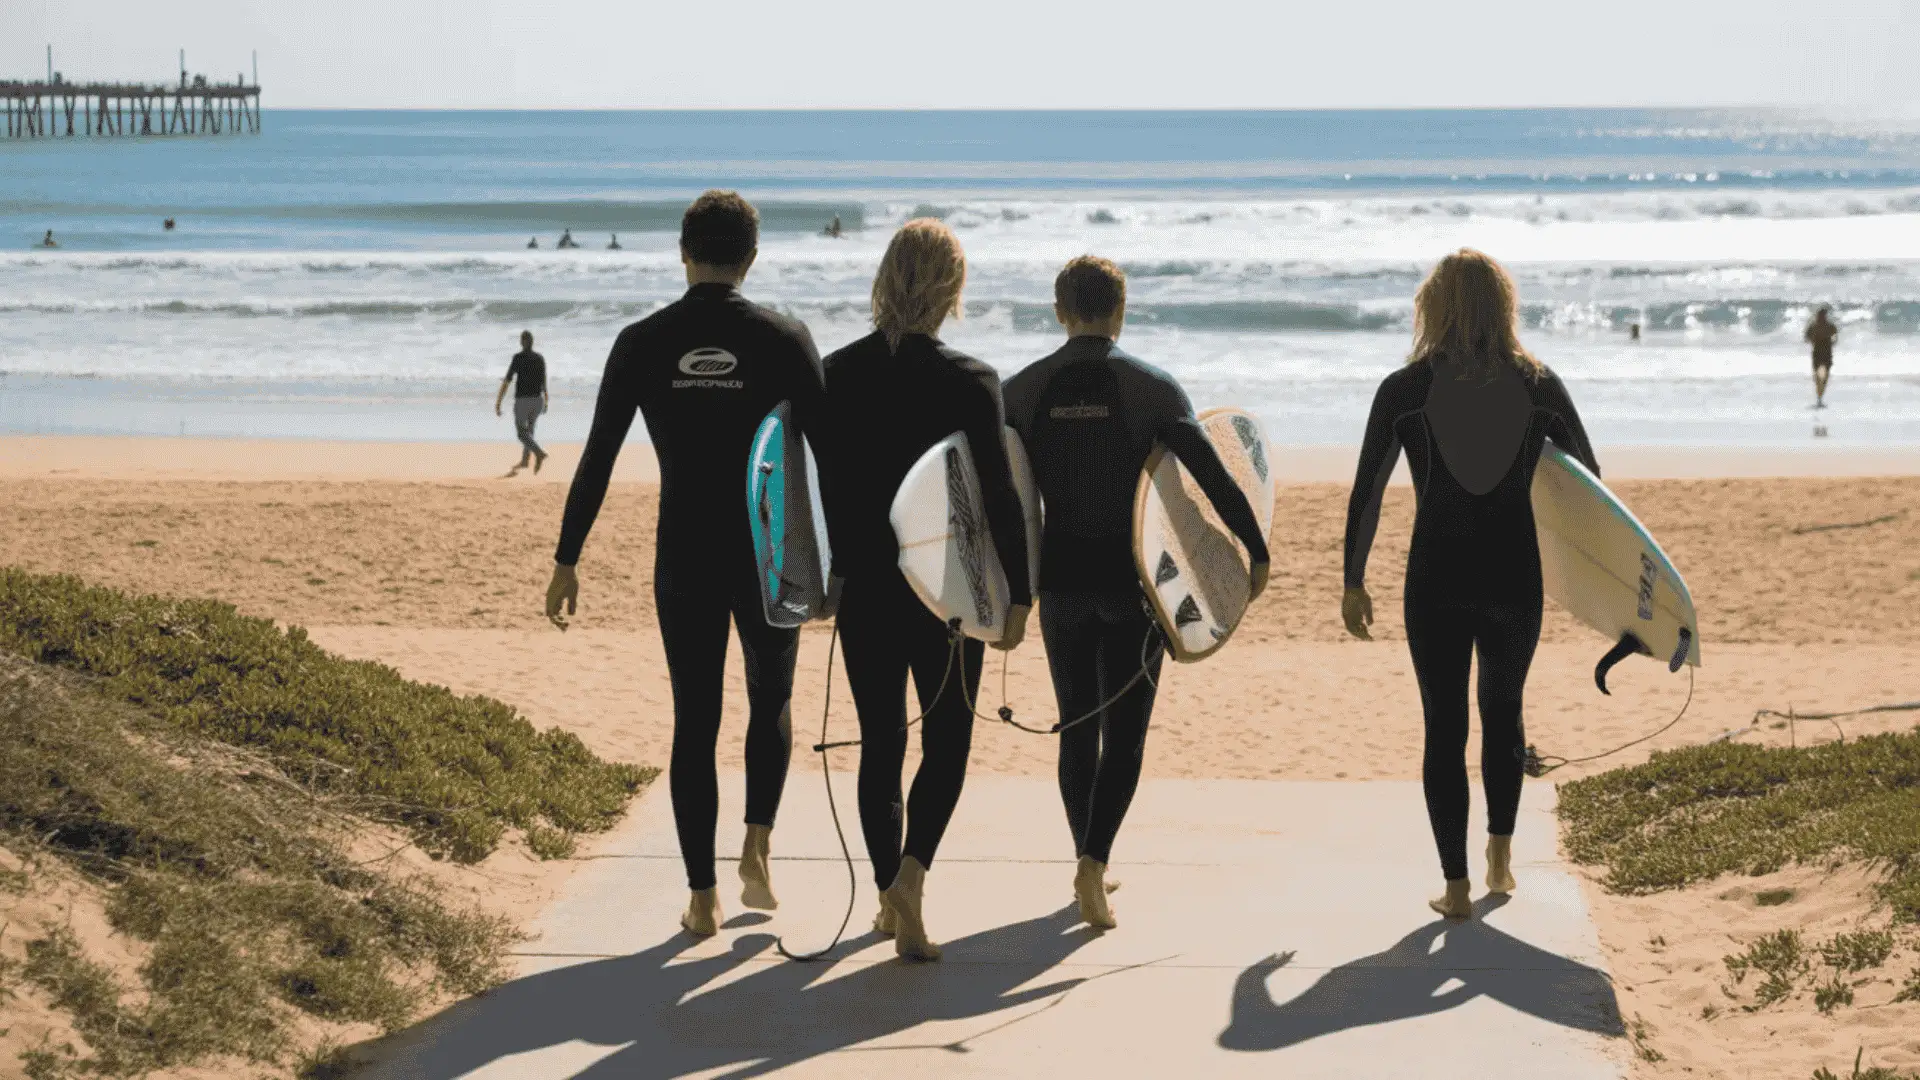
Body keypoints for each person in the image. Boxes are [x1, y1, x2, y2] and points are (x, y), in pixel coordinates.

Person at [545, 191, 826, 938]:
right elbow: (829, 459)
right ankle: (757, 843)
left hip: (686, 556)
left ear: (682, 251)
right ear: (752, 256)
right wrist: (838, 563)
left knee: (694, 720)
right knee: (772, 701)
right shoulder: (786, 335)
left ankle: (701, 897)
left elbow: (599, 455)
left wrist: (567, 557)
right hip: (772, 556)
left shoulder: (642, 341)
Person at [1004, 255, 1270, 929]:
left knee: (1076, 726)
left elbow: (988, 492)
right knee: (1124, 736)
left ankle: (1083, 860)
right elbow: (1212, 474)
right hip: (1134, 586)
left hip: (1060, 582)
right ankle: (1095, 861)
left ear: (1061, 311)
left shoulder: (1023, 390)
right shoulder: (1151, 388)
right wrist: (1254, 551)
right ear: (1120, 309)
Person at [1340, 249, 1598, 921]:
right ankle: (1501, 860)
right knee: (1504, 711)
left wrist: (1353, 580)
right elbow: (1591, 488)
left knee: (1444, 726)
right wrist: (1603, 585)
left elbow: (1367, 491)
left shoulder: (1403, 390)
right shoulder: (1539, 384)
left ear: (1432, 306)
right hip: (1515, 576)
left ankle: (1454, 887)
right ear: (1503, 306)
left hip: (1436, 580)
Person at [815, 219, 1030, 962]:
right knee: (948, 741)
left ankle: (886, 898)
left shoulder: (837, 372)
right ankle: (911, 877)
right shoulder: (970, 381)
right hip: (948, 595)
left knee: (881, 743)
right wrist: (1021, 594)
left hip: (869, 587)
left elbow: (827, 490)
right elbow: (999, 496)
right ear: (951, 288)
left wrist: (824, 577)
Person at [495, 331, 549, 475]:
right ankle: (525, 460)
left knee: (521, 433)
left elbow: (507, 381)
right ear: (532, 342)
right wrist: (546, 401)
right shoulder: (540, 358)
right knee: (530, 431)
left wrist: (498, 402)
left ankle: (539, 453)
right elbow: (544, 382)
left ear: (522, 342)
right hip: (538, 400)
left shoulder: (517, 358)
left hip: (523, 401)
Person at [1806, 307, 1838, 408]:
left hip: (1826, 354)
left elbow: (1835, 336)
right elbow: (1807, 337)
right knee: (1817, 376)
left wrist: (1831, 342)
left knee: (1824, 377)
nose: (1821, 317)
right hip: (1817, 353)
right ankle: (1819, 398)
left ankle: (1820, 398)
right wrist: (1814, 341)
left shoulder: (1829, 326)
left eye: (1822, 315)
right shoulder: (1813, 326)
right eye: (1820, 315)